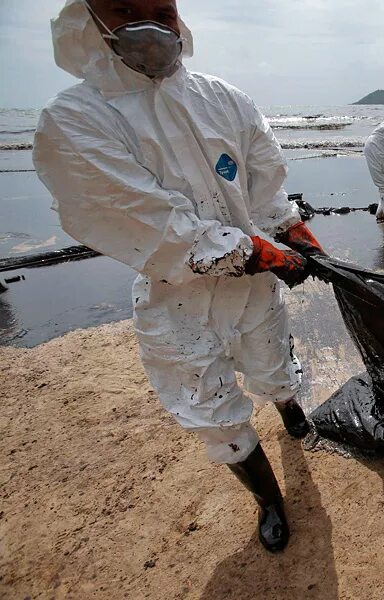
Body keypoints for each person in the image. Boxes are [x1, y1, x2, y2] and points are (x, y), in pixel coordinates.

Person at [32, 0, 328, 553]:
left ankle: (291, 413)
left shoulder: (224, 100)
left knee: (271, 359)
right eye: (125, 8)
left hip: (255, 284)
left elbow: (263, 178)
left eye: (162, 11)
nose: (150, 24)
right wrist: (257, 253)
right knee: (209, 403)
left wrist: (288, 224)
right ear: (92, 19)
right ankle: (269, 500)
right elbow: (146, 220)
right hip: (177, 298)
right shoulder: (76, 119)